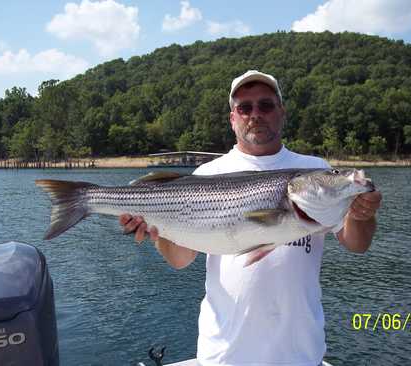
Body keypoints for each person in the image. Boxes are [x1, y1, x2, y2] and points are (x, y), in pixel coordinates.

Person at [119, 70, 382, 365]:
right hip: (224, 355)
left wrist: (362, 215)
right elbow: (180, 260)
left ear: (281, 113)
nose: (255, 114)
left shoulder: (315, 168)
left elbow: (357, 243)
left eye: (266, 105)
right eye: (245, 108)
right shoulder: (207, 174)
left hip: (300, 355)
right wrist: (157, 230)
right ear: (233, 119)